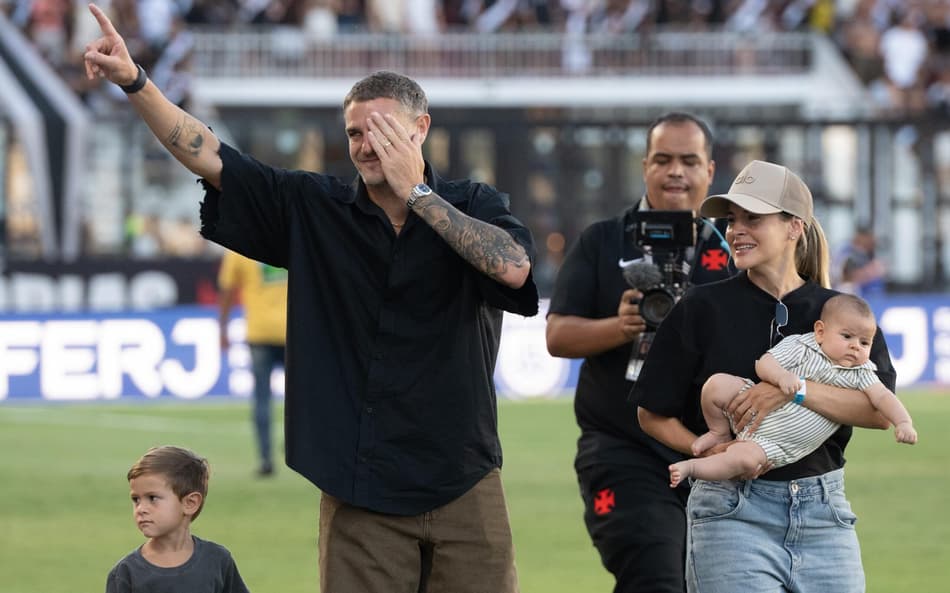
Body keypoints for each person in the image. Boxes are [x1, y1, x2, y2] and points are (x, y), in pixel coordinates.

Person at [84, 6, 538, 592]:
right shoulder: (314, 208)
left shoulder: (473, 201)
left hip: (464, 479)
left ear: (420, 129)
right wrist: (136, 83)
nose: (366, 145)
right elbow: (210, 154)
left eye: (382, 130)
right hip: (358, 486)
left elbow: (513, 267)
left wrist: (419, 195)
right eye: (354, 132)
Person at [633, 159, 897, 593]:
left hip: (824, 515)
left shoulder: (842, 314)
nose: (736, 229)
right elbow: (651, 413)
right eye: (732, 219)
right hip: (729, 514)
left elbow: (879, 411)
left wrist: (793, 393)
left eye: (753, 218)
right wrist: (718, 449)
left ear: (794, 227)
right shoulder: (700, 308)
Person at [545, 112, 735, 593]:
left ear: (709, 172)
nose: (676, 172)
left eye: (689, 161)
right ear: (645, 165)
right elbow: (557, 336)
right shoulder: (602, 240)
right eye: (664, 159)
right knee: (656, 579)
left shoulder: (732, 251)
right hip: (621, 451)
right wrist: (621, 325)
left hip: (711, 455)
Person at [670, 293, 916, 488]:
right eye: (847, 336)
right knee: (717, 385)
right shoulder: (801, 345)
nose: (855, 347)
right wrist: (780, 377)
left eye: (864, 343)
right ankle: (718, 432)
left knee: (742, 460)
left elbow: (883, 397)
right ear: (820, 332)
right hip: (749, 408)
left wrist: (903, 422)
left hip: (773, 444)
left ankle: (691, 468)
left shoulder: (860, 373)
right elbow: (764, 363)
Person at [105, 446, 250, 593]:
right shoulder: (126, 573)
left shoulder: (217, 560)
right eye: (136, 499)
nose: (141, 508)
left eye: (152, 498)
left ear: (190, 503)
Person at [217, 249, 288, 477]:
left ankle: (266, 459)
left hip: (259, 333)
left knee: (261, 399)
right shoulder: (292, 239)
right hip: (294, 331)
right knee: (303, 398)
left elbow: (227, 289)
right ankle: (295, 445)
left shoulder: (241, 247)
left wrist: (223, 328)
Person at [835, 226, 886, 297]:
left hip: (875, 296)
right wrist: (870, 271)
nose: (872, 241)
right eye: (869, 238)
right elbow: (842, 276)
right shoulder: (846, 252)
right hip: (855, 294)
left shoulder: (868, 252)